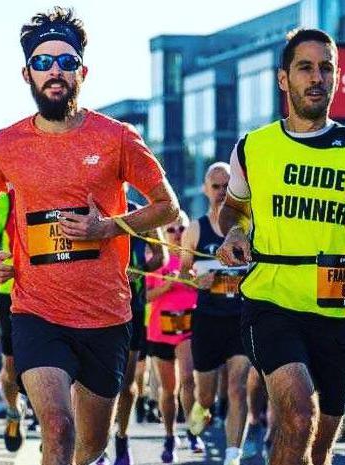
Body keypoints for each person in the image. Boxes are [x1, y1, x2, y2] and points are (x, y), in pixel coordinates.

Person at [0, 7, 179, 465]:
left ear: (83, 70)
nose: (55, 72)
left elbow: (168, 206)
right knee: (59, 430)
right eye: (43, 63)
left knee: (89, 445)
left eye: (66, 61)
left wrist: (108, 227)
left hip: (105, 315)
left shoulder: (118, 138)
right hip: (36, 311)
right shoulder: (5, 144)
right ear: (27, 73)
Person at [215, 28, 345, 465]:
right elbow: (232, 209)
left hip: (338, 306)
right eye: (305, 67)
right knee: (297, 415)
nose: (317, 77)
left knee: (317, 449)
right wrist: (235, 233)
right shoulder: (254, 148)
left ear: (337, 77)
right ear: (283, 79)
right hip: (272, 299)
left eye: (326, 68)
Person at [179, 162, 250, 465]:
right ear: (206, 190)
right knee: (206, 396)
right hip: (208, 319)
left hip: (241, 317)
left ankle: (233, 454)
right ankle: (200, 408)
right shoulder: (195, 229)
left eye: (226, 186)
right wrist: (197, 280)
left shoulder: (248, 227)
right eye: (216, 187)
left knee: (237, 387)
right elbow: (182, 273)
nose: (222, 192)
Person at [112, 197, 166, 465]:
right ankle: (94, 443)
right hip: (96, 305)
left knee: (126, 383)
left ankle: (121, 437)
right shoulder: (94, 207)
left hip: (133, 305)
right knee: (91, 379)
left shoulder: (140, 213)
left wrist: (140, 269)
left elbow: (161, 256)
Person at [145, 212, 199, 463]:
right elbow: (145, 296)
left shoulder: (195, 257)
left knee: (188, 379)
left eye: (181, 228)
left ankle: (192, 430)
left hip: (188, 325)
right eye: (171, 230)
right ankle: (169, 435)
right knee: (169, 389)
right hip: (160, 329)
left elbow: (208, 286)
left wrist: (200, 281)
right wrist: (168, 284)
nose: (177, 234)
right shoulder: (156, 258)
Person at [0, 191, 25, 451]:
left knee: (51, 360)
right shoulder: (6, 198)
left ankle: (51, 424)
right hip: (10, 291)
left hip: (50, 289)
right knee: (11, 366)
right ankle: (14, 411)